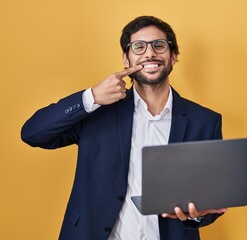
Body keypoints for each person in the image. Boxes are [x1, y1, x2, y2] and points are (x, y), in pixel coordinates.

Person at [21, 16, 227, 240]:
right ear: (126, 59)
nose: (150, 54)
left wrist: (198, 215)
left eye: (159, 45)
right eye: (139, 47)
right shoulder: (98, 112)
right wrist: (91, 97)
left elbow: (207, 202)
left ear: (174, 56)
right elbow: (33, 133)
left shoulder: (205, 122)